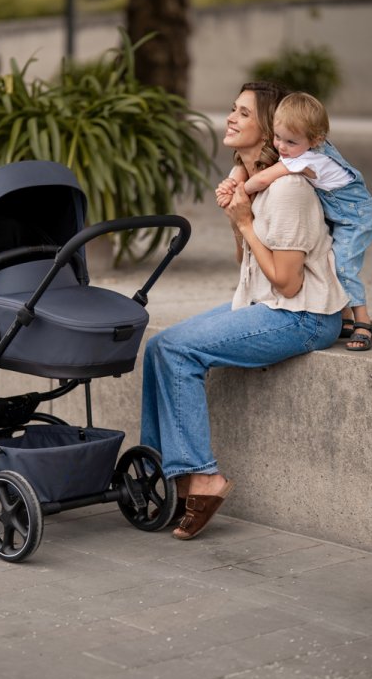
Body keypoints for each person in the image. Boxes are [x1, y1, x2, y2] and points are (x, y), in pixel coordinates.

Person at [139, 82, 349, 541]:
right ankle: (165, 474)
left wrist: (245, 223)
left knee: (177, 351)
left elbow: (288, 282)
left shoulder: (290, 190)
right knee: (158, 346)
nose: (232, 117)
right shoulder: (253, 182)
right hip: (266, 303)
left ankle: (202, 476)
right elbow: (247, 265)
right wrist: (239, 220)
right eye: (233, 109)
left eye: (244, 113)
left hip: (303, 316)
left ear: (270, 131)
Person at [218, 92, 372, 351]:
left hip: (355, 217)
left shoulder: (305, 161)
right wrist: (235, 177)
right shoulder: (301, 146)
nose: (282, 147)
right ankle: (345, 314)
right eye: (278, 137)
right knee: (330, 257)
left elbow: (261, 178)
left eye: (290, 141)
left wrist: (238, 192)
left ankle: (363, 320)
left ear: (316, 140)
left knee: (343, 266)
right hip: (338, 210)